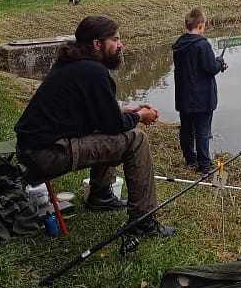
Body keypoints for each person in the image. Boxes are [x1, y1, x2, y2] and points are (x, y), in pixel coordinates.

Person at [14, 16, 176, 238]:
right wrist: (139, 116)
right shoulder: (92, 71)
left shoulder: (72, 63)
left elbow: (95, 114)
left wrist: (127, 111)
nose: (120, 45)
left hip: (31, 149)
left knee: (109, 131)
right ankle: (143, 221)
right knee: (136, 140)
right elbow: (113, 125)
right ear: (97, 44)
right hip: (46, 155)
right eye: (115, 39)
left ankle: (101, 196)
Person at [172, 8, 227, 174]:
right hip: (202, 99)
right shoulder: (203, 45)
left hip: (184, 97)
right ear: (201, 25)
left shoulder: (179, 45)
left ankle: (190, 159)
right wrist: (220, 62)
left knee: (186, 129)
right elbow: (211, 68)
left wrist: (216, 62)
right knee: (203, 131)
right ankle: (204, 165)